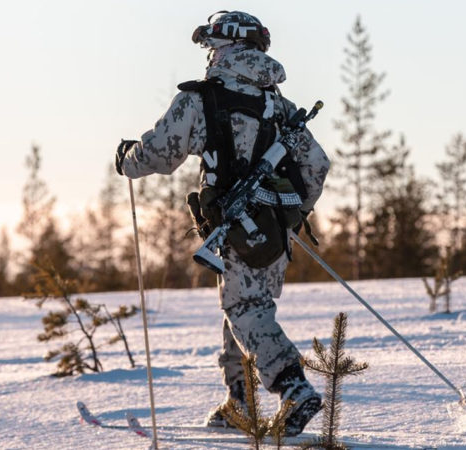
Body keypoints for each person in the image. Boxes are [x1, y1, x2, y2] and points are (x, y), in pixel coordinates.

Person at [115, 10, 330, 436]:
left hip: (234, 229)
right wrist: (291, 213)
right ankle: (241, 402)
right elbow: (318, 164)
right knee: (245, 309)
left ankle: (292, 386)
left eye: (211, 46)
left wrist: (128, 160)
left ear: (226, 47)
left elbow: (160, 153)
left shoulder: (202, 98)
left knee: (244, 309)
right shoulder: (280, 106)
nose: (209, 55)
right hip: (273, 233)